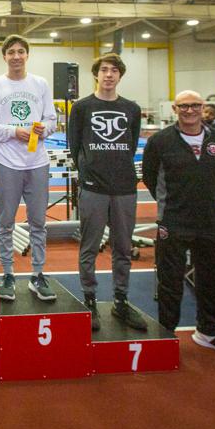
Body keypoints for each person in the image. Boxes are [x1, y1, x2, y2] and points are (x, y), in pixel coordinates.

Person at [143, 90, 215, 360]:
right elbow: (150, 176)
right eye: (184, 106)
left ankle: (208, 332)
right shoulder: (160, 141)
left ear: (204, 108)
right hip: (173, 220)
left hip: (209, 219)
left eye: (195, 105)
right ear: (175, 109)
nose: (190, 110)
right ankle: (166, 334)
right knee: (170, 281)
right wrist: (173, 202)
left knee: (212, 278)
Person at [68, 52, 146, 331]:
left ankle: (121, 301)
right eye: (104, 70)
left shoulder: (132, 109)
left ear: (120, 76)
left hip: (124, 187)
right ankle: (89, 300)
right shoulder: (82, 107)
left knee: (123, 248)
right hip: (93, 188)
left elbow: (132, 142)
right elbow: (75, 145)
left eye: (114, 70)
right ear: (96, 74)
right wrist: (89, 172)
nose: (109, 74)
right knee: (89, 246)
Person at [0, 35, 57, 300]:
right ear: (4, 56)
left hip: (38, 162)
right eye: (11, 52)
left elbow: (51, 119)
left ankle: (37, 275)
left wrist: (43, 128)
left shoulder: (41, 84)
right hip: (7, 163)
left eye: (21, 51)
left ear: (27, 55)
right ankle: (8, 275)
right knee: (5, 223)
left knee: (38, 222)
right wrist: (15, 131)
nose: (16, 56)